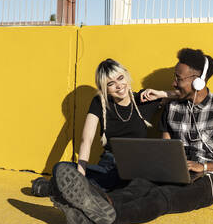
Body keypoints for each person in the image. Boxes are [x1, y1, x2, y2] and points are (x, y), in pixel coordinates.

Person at [50, 48, 213, 224]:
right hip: (177, 172)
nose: (173, 83)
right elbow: (164, 152)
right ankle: (94, 208)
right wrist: (165, 170)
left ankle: (97, 221)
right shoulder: (172, 109)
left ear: (198, 81)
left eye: (178, 79)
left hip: (212, 178)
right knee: (136, 187)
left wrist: (203, 166)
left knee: (160, 196)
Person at [32, 58, 174, 196]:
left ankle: (58, 189)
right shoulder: (99, 103)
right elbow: (86, 140)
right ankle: (85, 190)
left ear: (126, 76)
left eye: (120, 78)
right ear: (104, 88)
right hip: (108, 166)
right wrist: (80, 175)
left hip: (135, 167)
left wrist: (160, 93)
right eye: (111, 83)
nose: (119, 86)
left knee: (137, 186)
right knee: (61, 167)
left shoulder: (143, 100)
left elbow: (184, 94)